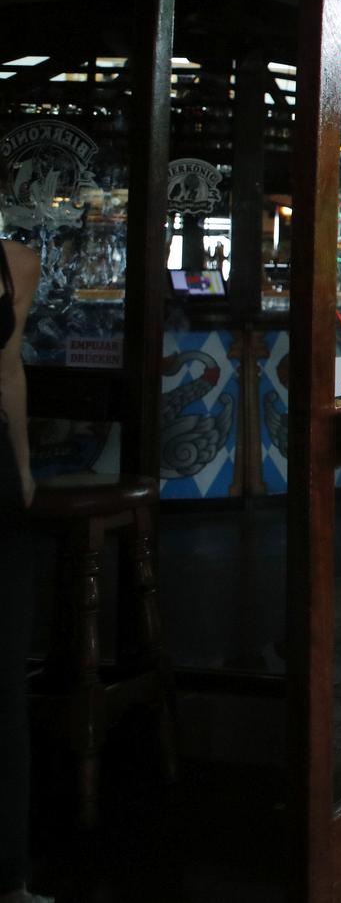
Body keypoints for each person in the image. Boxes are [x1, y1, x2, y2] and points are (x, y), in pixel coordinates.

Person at [1, 237, 43, 903]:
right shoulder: (13, 264)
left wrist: (23, 467)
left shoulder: (17, 263)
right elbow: (6, 369)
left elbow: (8, 370)